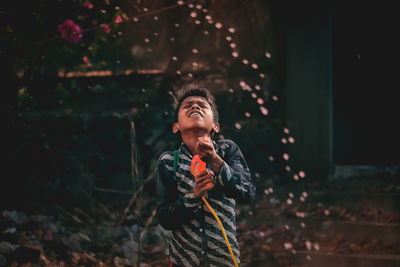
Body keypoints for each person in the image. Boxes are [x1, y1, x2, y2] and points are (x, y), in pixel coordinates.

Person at [156, 86, 256, 267]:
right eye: (187, 106)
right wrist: (194, 196)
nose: (195, 107)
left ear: (215, 126)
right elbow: (165, 219)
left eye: (202, 105)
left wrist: (216, 162)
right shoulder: (169, 161)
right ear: (175, 127)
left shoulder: (227, 150)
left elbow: (247, 193)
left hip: (224, 261)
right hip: (183, 261)